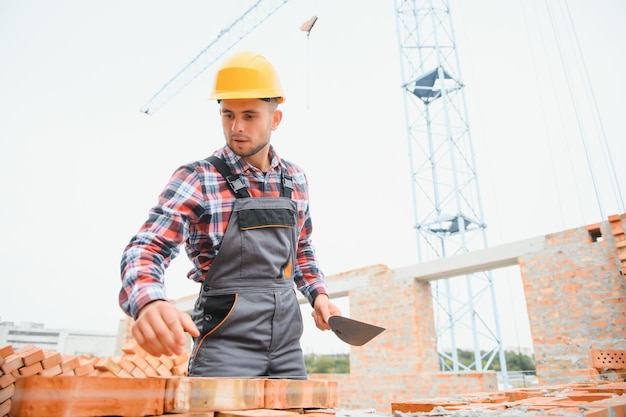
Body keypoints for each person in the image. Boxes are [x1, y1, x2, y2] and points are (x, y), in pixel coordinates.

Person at [119, 51, 341, 379]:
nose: (236, 128)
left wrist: (319, 296)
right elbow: (146, 248)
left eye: (250, 116)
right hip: (225, 347)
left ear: (275, 119)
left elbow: (302, 252)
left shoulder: (295, 179)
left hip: (287, 349)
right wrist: (149, 301)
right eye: (228, 115)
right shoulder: (198, 178)